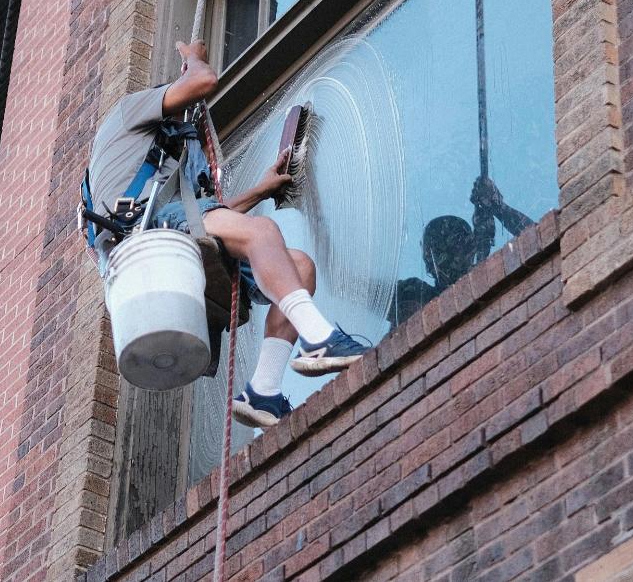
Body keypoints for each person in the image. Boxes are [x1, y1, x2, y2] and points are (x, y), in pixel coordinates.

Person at [87, 40, 370, 428]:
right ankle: (320, 337)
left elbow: (205, 221)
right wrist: (193, 59)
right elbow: (204, 81)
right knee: (263, 232)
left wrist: (259, 191)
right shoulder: (128, 113)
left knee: (299, 267)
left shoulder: (166, 162)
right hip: (149, 234)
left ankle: (263, 392)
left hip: (168, 236)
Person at [386, 175, 532, 328]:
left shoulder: (489, 278)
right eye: (433, 252)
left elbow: (535, 240)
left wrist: (498, 207)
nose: (435, 259)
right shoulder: (416, 292)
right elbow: (367, 292)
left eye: (454, 245)